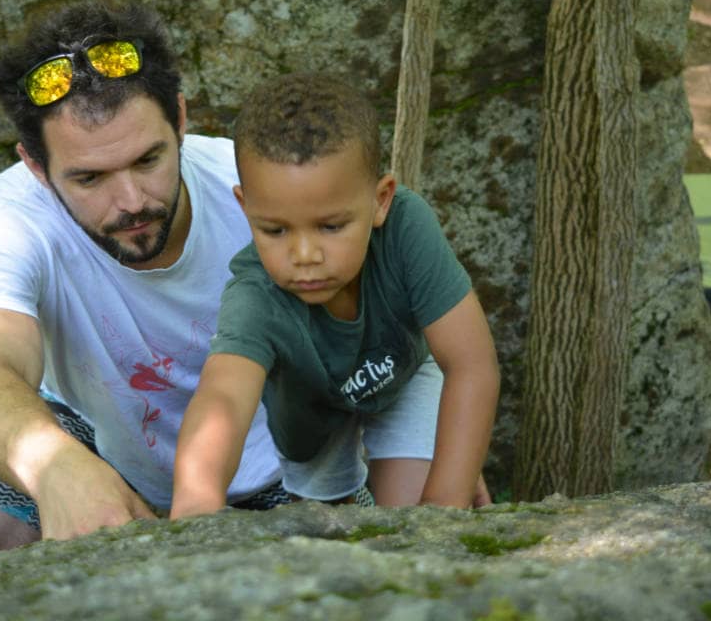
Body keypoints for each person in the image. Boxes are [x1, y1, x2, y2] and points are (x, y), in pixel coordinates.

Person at [0, 2, 468, 569]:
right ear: (36, 168)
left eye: (148, 161)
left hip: (278, 461)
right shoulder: (8, 220)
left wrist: (431, 441)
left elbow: (390, 320)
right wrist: (55, 467)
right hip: (89, 444)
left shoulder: (267, 197)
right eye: (89, 177)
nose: (131, 201)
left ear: (182, 121)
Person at [171, 73, 500, 519]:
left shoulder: (407, 229)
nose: (305, 255)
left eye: (331, 226)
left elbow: (471, 363)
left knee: (409, 518)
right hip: (308, 410)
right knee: (323, 528)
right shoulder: (255, 295)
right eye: (275, 230)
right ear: (245, 207)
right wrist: (192, 522)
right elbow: (223, 398)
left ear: (381, 200)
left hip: (402, 373)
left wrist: (445, 503)